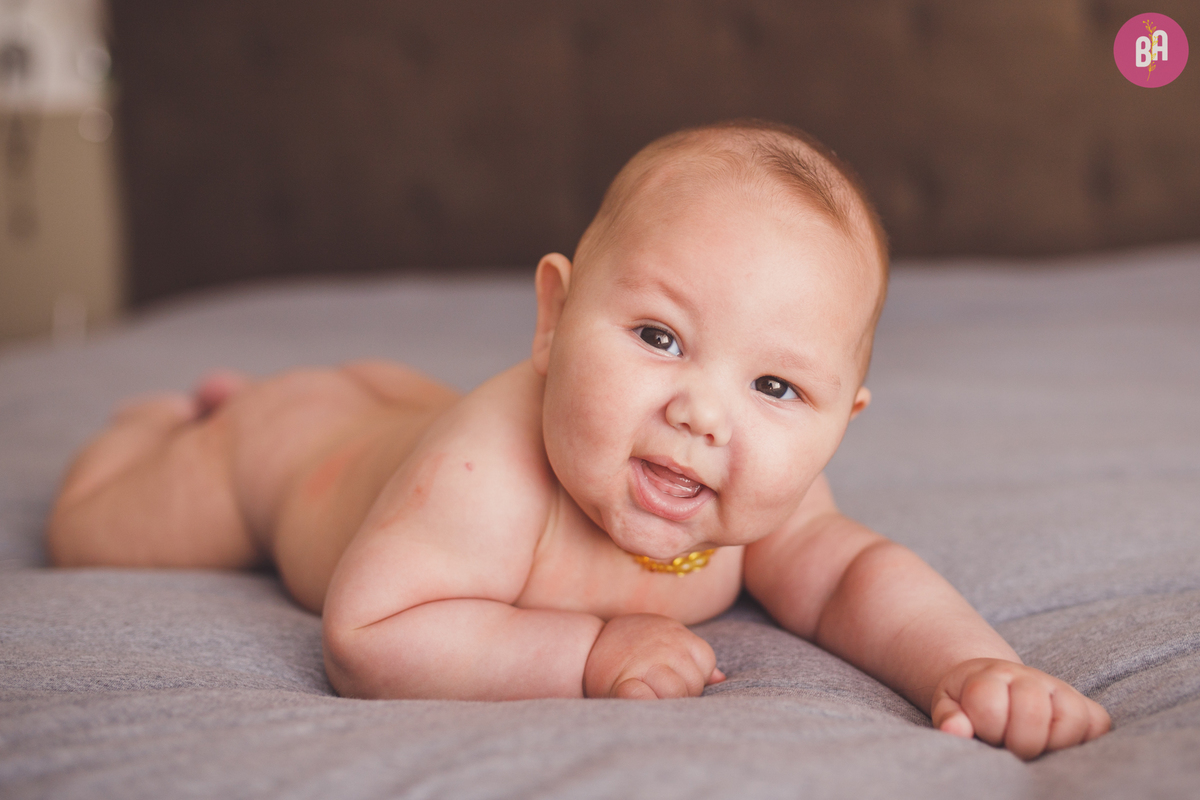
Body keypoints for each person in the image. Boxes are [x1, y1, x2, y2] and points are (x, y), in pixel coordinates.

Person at [46, 120, 1111, 760]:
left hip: (397, 414)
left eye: (777, 384)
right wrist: (588, 651)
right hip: (288, 455)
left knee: (399, 408)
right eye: (659, 336)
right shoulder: (488, 473)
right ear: (554, 317)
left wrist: (969, 663)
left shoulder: (756, 493)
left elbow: (854, 578)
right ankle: (169, 420)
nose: (703, 412)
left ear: (841, 422)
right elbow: (371, 631)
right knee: (91, 529)